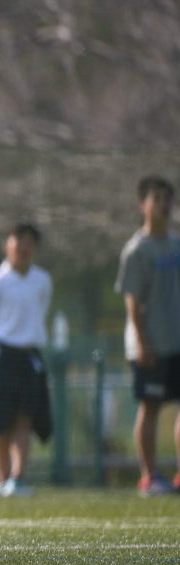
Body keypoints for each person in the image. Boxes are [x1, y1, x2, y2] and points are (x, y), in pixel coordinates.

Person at [0, 223, 53, 497]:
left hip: (29, 356)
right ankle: (1, 477)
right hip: (3, 356)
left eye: (30, 242)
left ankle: (18, 478)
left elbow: (40, 312)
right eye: (19, 240)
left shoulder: (42, 280)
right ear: (7, 245)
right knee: (0, 420)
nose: (24, 247)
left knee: (24, 419)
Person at [114, 175, 180, 496]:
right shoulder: (137, 250)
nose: (164, 205)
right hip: (149, 344)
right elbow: (132, 301)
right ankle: (149, 476)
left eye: (168, 199)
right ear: (143, 204)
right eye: (157, 199)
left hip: (177, 340)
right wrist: (142, 342)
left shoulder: (177, 245)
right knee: (150, 407)